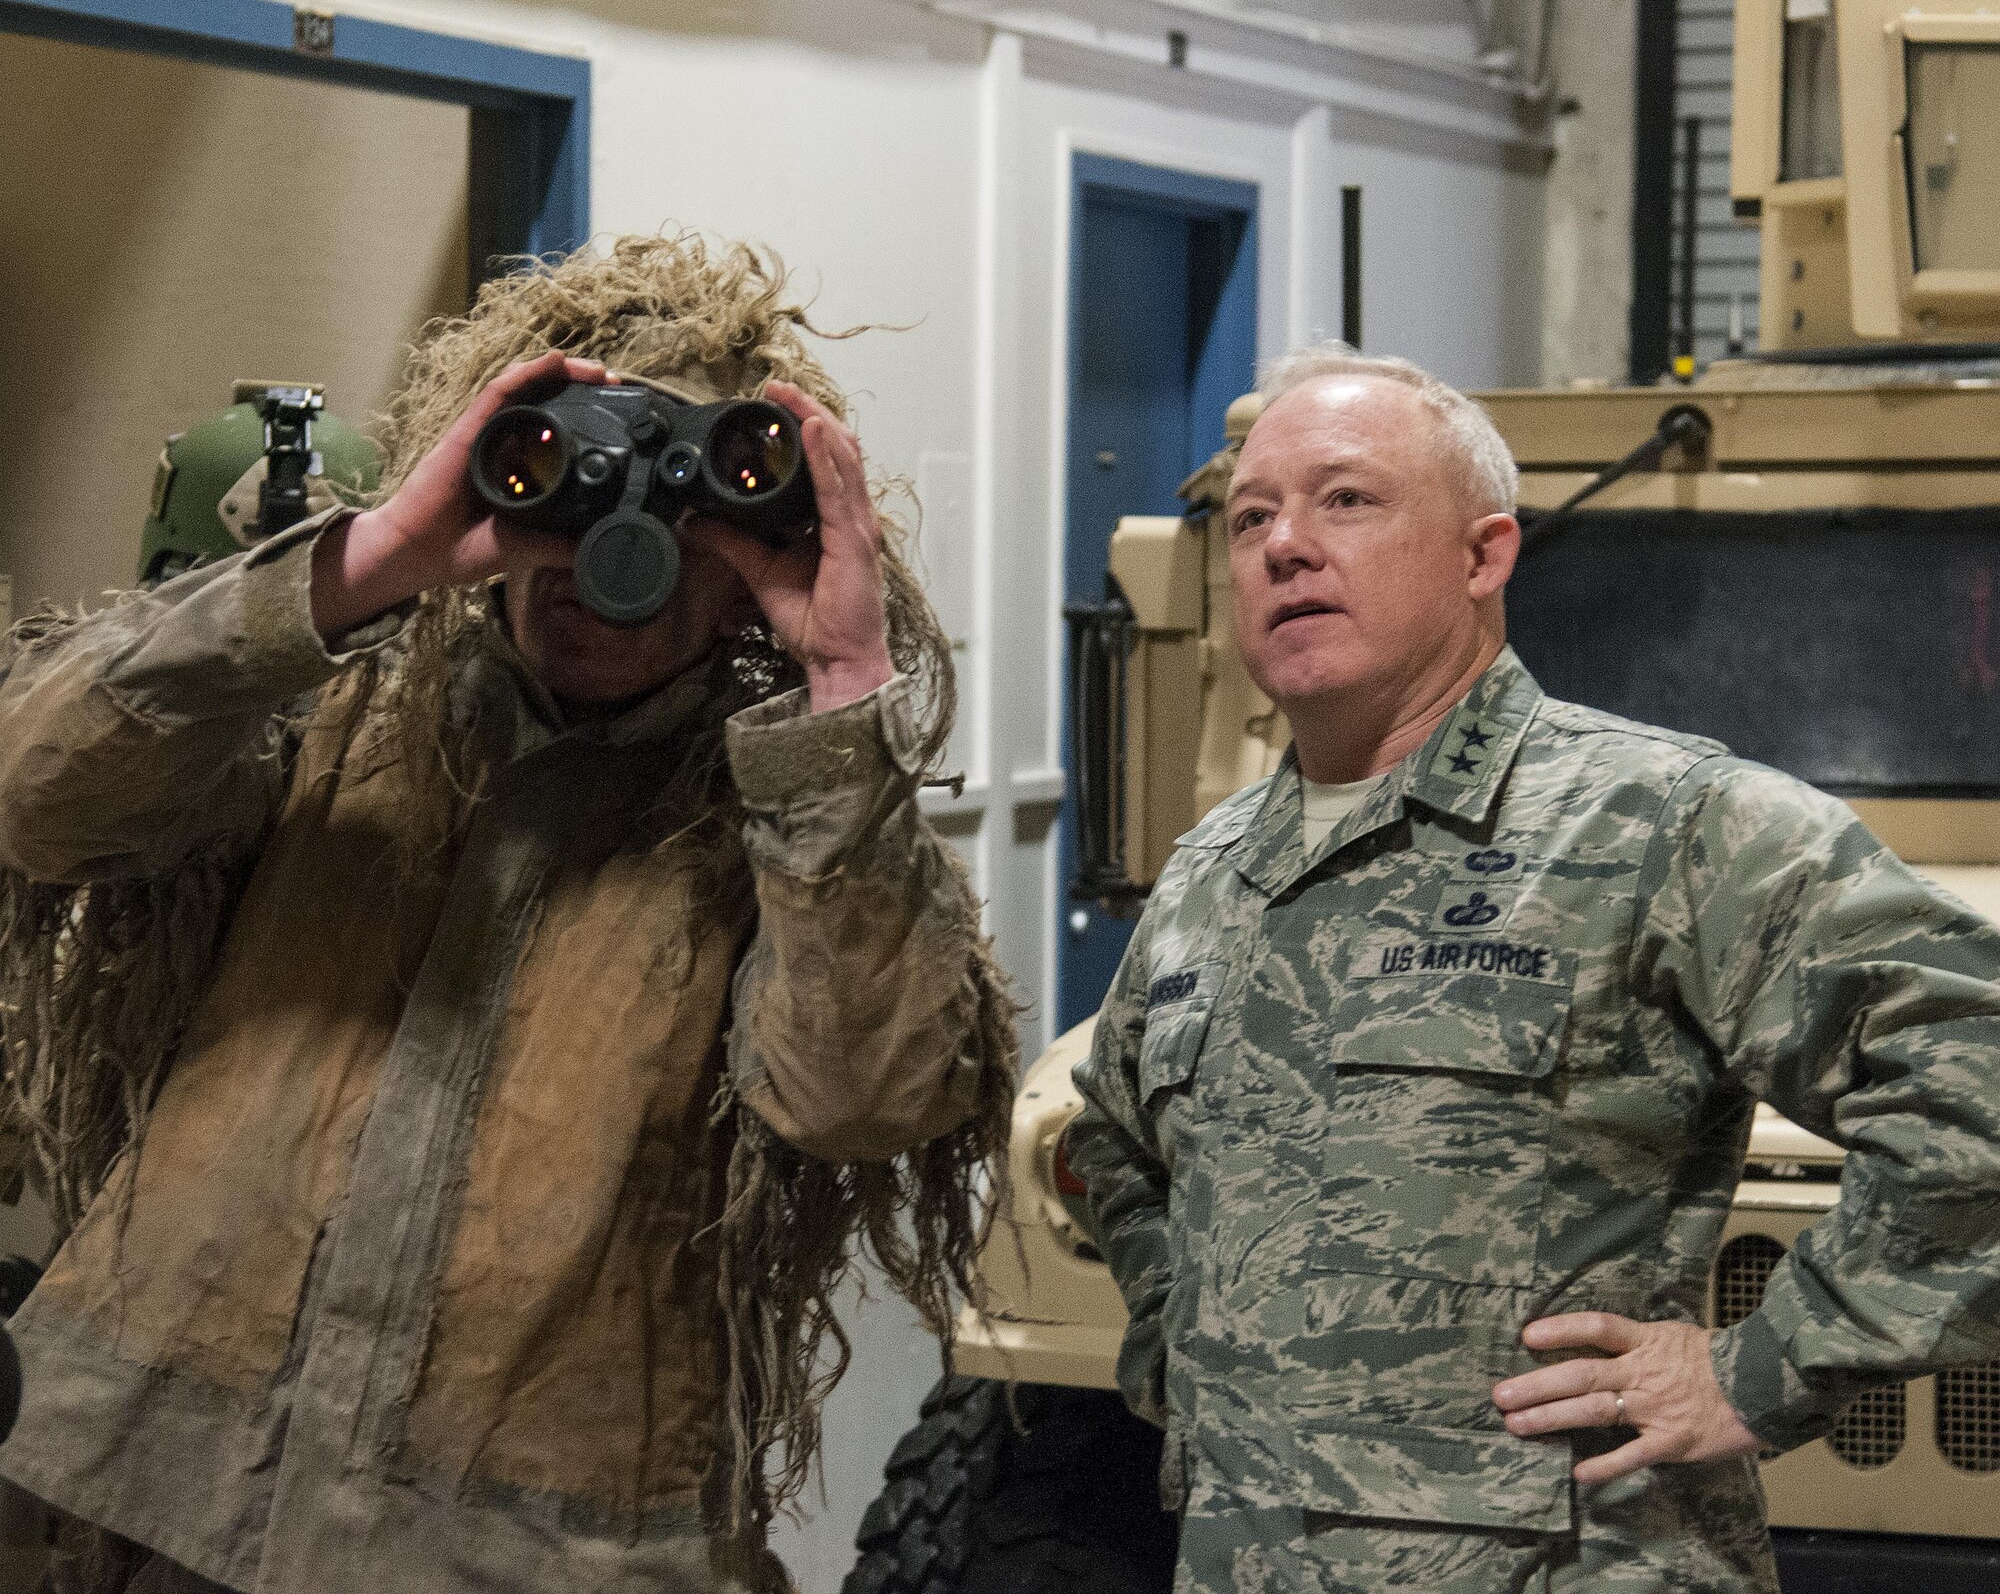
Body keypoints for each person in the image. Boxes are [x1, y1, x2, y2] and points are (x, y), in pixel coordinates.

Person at [0, 234, 1016, 1594]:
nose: (590, 557)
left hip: (525, 1559)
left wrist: (841, 695)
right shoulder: (337, 719)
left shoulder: (788, 828)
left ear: (748, 566)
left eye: (675, 516)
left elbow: (863, 1100)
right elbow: (39, 802)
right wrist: (367, 561)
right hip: (169, 1507)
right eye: (559, 483)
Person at [1066, 344, 2000, 1593]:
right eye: (1250, 516)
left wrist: (1760, 1367)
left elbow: (1975, 1077)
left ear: (1483, 555)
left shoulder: (1664, 823)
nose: (1284, 544)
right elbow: (1113, 1138)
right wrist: (1185, 1341)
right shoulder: (1213, 868)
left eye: (1345, 498)